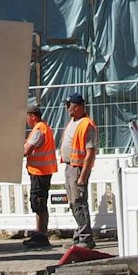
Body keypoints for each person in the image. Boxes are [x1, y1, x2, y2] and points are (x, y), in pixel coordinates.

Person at [61, 92, 98, 244]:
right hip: (70, 166)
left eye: (68, 106)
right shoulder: (73, 121)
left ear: (76, 107)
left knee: (79, 201)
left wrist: (83, 175)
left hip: (78, 168)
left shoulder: (86, 124)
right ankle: (80, 233)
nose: (67, 109)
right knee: (73, 202)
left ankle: (86, 237)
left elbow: (90, 153)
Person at [23, 103, 57, 247]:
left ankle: (42, 235)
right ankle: (39, 233)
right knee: (39, 202)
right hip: (41, 171)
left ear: (33, 116)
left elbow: (27, 150)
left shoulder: (38, 130)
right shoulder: (42, 128)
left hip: (40, 172)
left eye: (27, 117)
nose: (26, 121)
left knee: (39, 202)